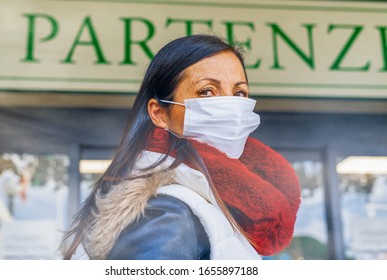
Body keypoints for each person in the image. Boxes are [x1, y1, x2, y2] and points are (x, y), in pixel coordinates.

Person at [63, 34, 301, 260]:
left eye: (239, 93)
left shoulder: (208, 202)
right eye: (207, 91)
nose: (231, 106)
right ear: (159, 113)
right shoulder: (167, 213)